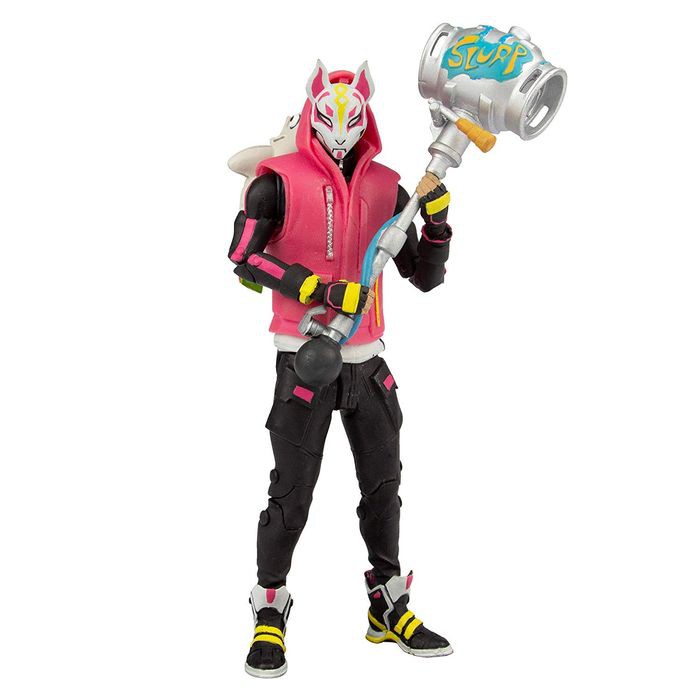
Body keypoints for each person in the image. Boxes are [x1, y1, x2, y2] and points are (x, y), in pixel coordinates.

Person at [229, 60, 454, 678]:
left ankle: (388, 602)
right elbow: (243, 256)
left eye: (351, 120)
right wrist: (318, 289)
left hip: (369, 360)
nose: (339, 133)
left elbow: (424, 276)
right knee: (291, 493)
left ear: (365, 119)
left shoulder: (388, 186)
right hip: (306, 358)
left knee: (384, 488)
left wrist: (436, 224)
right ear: (312, 113)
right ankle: (269, 605)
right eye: (329, 120)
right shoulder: (278, 181)